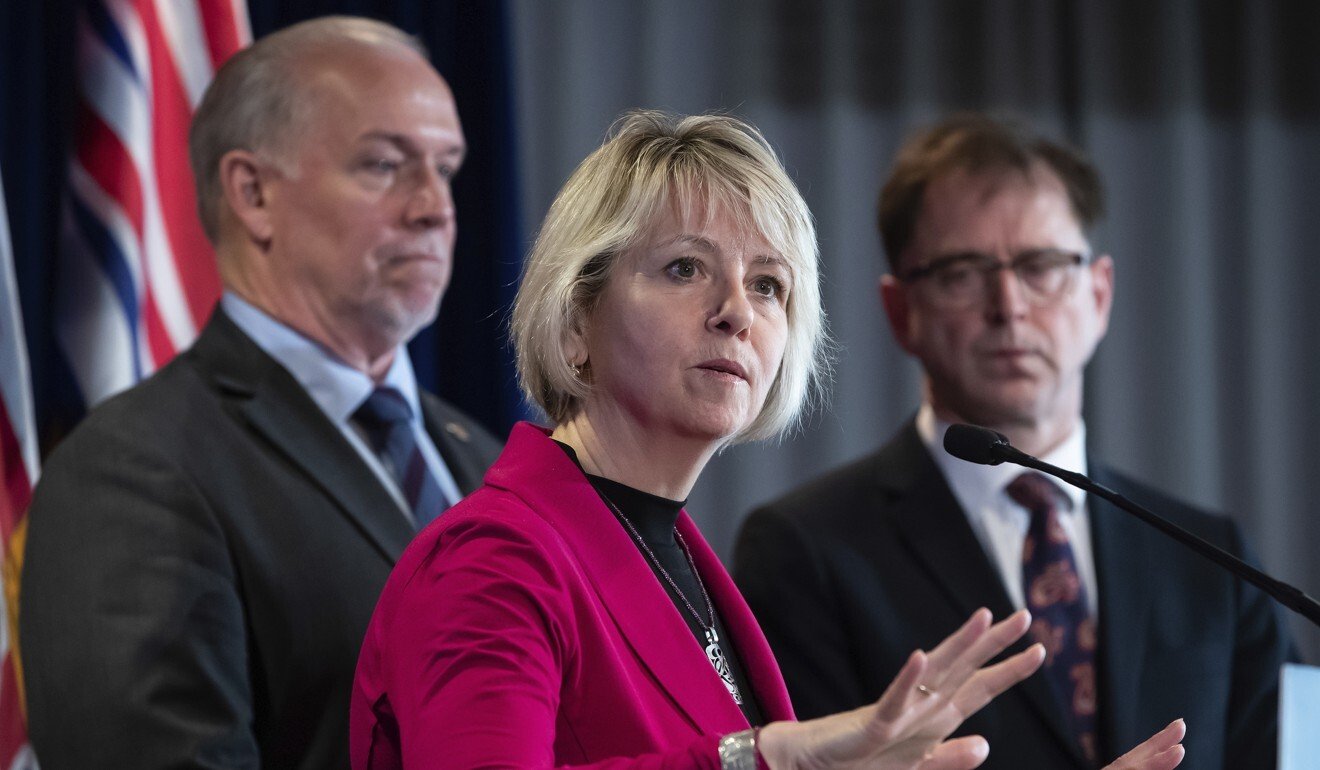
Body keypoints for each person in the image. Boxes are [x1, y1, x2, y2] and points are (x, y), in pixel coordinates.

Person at [350, 110, 1187, 770]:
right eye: (685, 268)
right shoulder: (491, 558)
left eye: (768, 284)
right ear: (577, 322)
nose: (736, 312)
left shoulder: (678, 562)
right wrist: (764, 759)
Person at [734, 113, 1294, 769]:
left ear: (1100, 294)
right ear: (899, 311)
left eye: (1042, 265)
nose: (1009, 306)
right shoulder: (806, 552)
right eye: (962, 272)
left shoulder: (1213, 561)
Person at [19, 17, 502, 770]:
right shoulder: (133, 472)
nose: (434, 207)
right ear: (252, 192)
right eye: (385, 164)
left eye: (445, 168)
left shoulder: (485, 460)